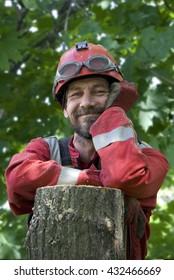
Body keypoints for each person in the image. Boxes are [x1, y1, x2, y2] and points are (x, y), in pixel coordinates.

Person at [5, 41, 168, 259]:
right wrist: (90, 178)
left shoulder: (146, 158)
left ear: (114, 98)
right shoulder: (45, 149)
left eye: (98, 92)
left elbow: (124, 177)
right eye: (75, 95)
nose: (86, 102)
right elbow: (17, 181)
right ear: (64, 109)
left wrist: (114, 112)